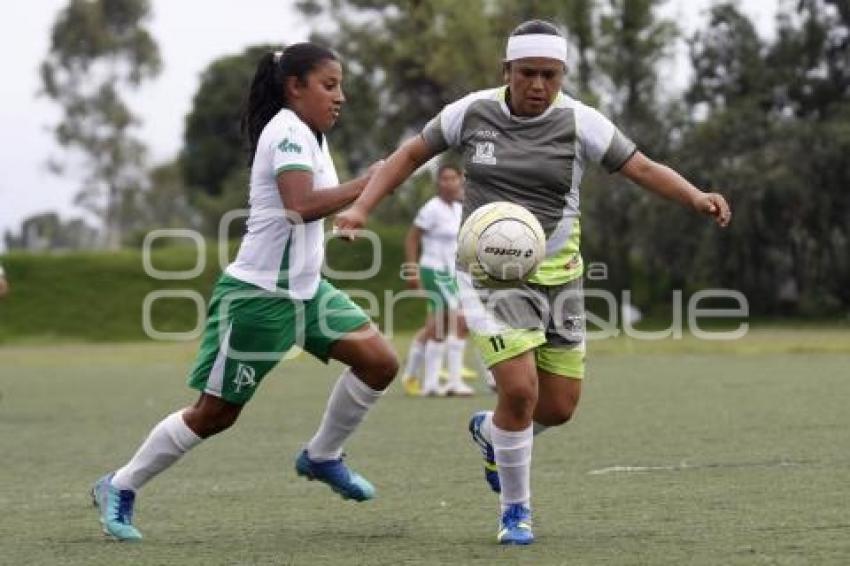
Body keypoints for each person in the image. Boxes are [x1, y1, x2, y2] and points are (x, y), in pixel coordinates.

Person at [335, 20, 731, 545]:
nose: (539, 85)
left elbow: (641, 168)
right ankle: (515, 512)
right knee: (519, 391)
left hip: (560, 277)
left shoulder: (580, 122)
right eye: (528, 74)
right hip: (486, 277)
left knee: (559, 407)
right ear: (508, 71)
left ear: (563, 74)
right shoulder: (470, 113)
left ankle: (488, 432)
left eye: (550, 75)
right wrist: (361, 208)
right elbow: (409, 155)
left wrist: (695, 197)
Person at [91, 43, 398, 542]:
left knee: (380, 362)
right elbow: (299, 205)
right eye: (328, 85)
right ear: (294, 87)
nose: (340, 96)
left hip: (307, 293)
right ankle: (119, 485)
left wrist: (358, 199)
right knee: (214, 414)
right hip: (257, 299)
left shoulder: (312, 134)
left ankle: (321, 456)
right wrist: (369, 182)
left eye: (341, 85)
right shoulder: (286, 131)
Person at [399, 163, 475, 397]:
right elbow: (411, 239)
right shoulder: (431, 209)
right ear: (438, 183)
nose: (450, 183)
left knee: (437, 327)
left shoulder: (457, 208)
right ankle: (453, 381)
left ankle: (427, 382)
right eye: (445, 179)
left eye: (454, 178)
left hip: (450, 272)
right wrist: (412, 270)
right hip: (434, 270)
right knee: (458, 317)